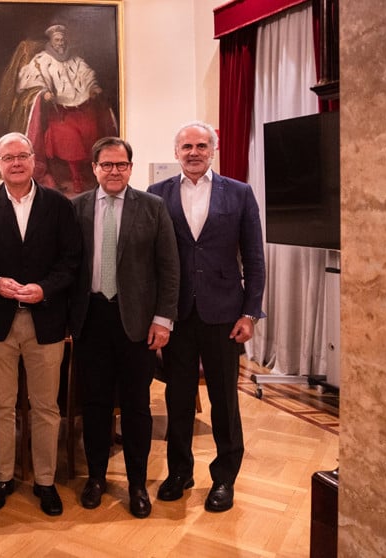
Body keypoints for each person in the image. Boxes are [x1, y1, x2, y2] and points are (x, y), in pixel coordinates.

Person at [147, 121, 266, 513]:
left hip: (223, 315)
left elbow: (254, 258)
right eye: (186, 147)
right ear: (176, 152)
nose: (194, 152)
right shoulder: (157, 195)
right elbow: (151, 262)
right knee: (177, 398)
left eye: (201, 145)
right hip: (177, 315)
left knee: (224, 401)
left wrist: (250, 313)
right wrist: (157, 315)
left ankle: (224, 478)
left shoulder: (240, 193)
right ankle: (180, 472)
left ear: (212, 150)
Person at [0, 131, 79, 516]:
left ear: (34, 160)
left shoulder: (59, 205)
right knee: (1, 405)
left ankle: (45, 481)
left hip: (45, 321)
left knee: (46, 406)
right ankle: (2, 477)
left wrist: (43, 289)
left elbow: (71, 262)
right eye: (7, 157)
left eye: (22, 155)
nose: (15, 162)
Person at [69, 137, 180, 518]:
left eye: (121, 165)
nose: (114, 171)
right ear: (94, 168)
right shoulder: (77, 208)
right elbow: (69, 269)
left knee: (136, 407)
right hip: (92, 319)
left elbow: (169, 267)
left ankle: (136, 483)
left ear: (130, 168)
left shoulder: (153, 207)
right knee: (95, 404)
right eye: (106, 165)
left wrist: (164, 319)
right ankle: (96, 478)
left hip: (138, 323)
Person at [11, 24, 118, 194]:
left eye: (62, 40)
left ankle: (89, 174)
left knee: (91, 129)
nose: (60, 43)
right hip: (57, 111)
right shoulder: (41, 60)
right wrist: (43, 92)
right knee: (68, 136)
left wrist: (92, 87)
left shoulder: (76, 60)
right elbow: (30, 80)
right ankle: (75, 177)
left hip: (78, 108)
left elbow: (87, 75)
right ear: (52, 42)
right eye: (57, 40)